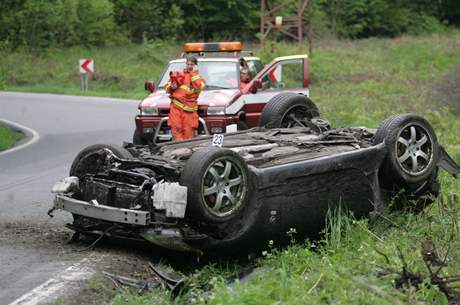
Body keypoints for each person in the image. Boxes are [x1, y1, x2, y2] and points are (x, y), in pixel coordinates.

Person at [165, 56, 206, 140]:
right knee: (176, 129)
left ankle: (186, 151)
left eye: (192, 64)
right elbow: (167, 86)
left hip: (190, 111)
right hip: (176, 108)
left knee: (188, 134)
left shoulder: (199, 78)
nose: (189, 66)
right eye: (187, 64)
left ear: (195, 66)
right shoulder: (179, 74)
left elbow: (198, 87)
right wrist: (172, 87)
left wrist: (193, 74)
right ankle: (177, 150)